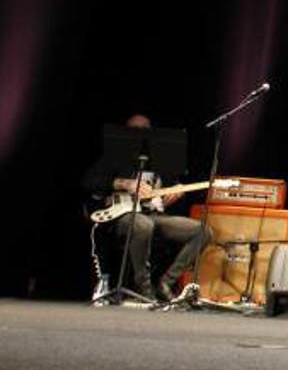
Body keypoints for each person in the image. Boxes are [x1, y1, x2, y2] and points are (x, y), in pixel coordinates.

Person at [81, 113, 211, 302]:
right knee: (143, 225)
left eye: (144, 130)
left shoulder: (162, 160)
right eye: (134, 130)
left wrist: (178, 191)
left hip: (154, 214)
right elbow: (89, 181)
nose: (139, 135)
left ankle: (166, 283)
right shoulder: (114, 157)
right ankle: (143, 287)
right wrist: (124, 183)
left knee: (202, 231)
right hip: (123, 214)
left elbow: (172, 186)